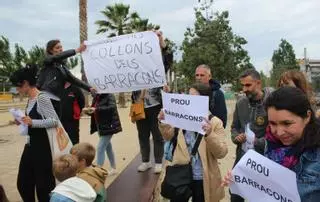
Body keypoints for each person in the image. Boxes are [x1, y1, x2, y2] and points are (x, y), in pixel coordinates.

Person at [222, 87, 320, 201]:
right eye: (273, 123)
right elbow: (268, 186)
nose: (279, 132)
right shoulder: (272, 144)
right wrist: (241, 180)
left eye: (287, 123)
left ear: (307, 116)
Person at [158, 82, 228, 202]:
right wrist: (163, 122)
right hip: (181, 175)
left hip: (203, 178)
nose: (189, 100)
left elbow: (221, 152)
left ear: (204, 101)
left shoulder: (215, 122)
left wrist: (209, 134)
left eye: (193, 98)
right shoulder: (180, 116)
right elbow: (168, 136)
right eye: (188, 96)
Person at [10, 64, 60, 201]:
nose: (17, 89)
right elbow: (32, 120)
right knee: (23, 184)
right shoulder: (30, 99)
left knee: (44, 187)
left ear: (26, 83)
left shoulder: (41, 97)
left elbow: (54, 121)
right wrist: (21, 121)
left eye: (18, 86)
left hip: (42, 148)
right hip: (30, 146)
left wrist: (33, 122)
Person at [230, 69, 272, 202]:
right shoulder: (240, 103)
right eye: (242, 85)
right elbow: (234, 127)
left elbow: (276, 136)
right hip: (242, 159)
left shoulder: (271, 104)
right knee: (235, 194)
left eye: (248, 85)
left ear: (258, 83)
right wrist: (236, 137)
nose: (244, 89)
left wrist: (257, 142)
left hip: (263, 162)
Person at [131, 87, 164, 173]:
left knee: (157, 135)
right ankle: (145, 161)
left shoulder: (156, 75)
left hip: (155, 107)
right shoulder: (135, 76)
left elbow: (163, 90)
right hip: (139, 106)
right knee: (142, 136)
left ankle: (158, 162)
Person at [88, 93, 122, 174]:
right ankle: (113, 168)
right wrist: (88, 111)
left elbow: (112, 107)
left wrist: (96, 109)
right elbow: (94, 109)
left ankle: (98, 171)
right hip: (100, 126)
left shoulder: (109, 95)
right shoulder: (96, 96)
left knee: (100, 148)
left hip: (109, 126)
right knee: (108, 147)